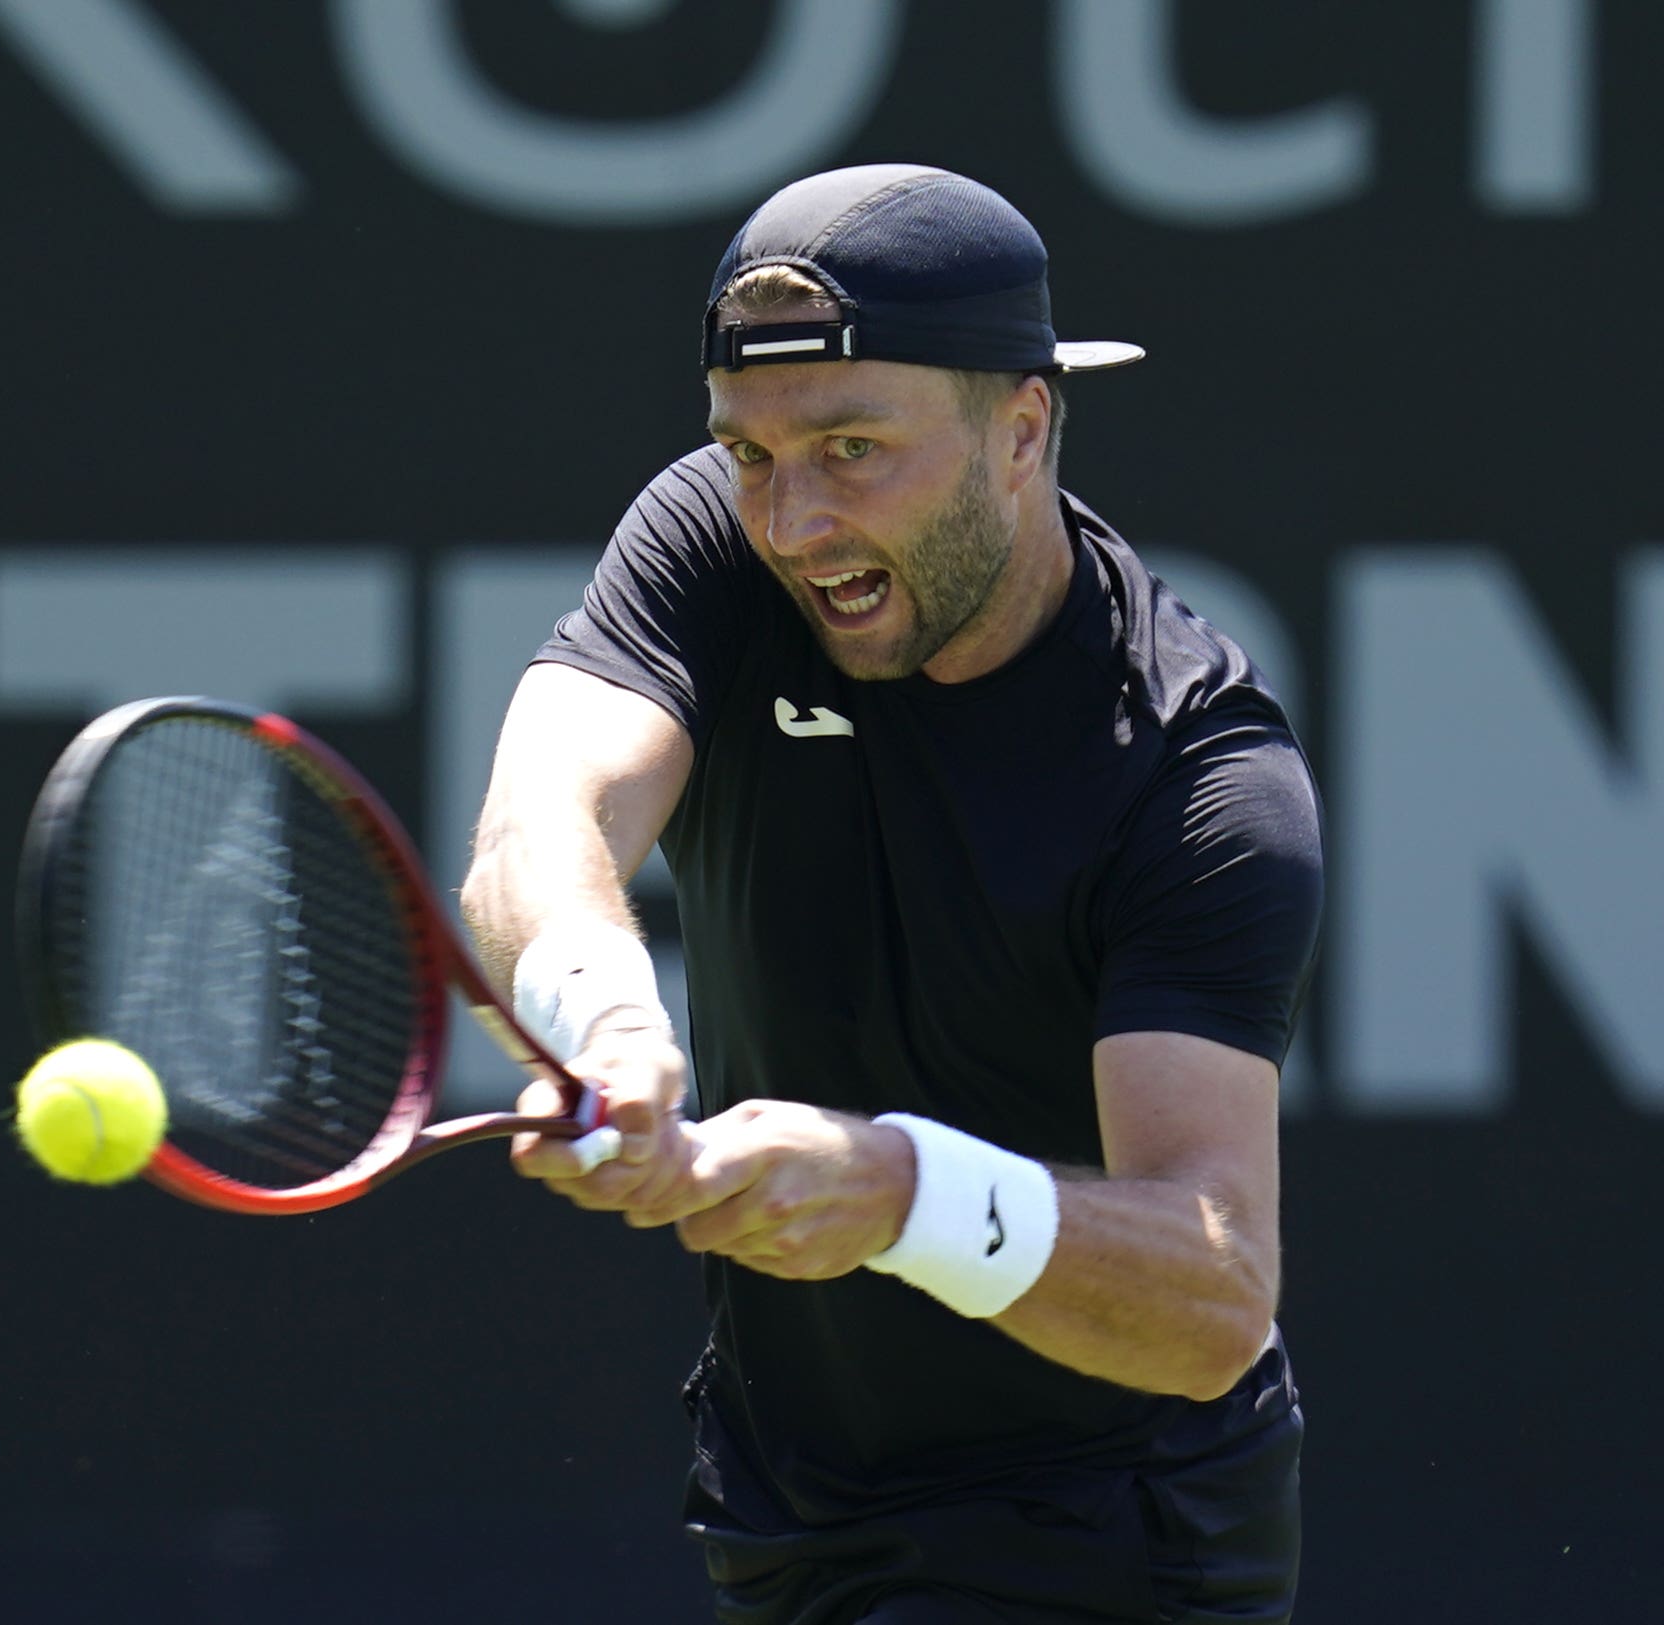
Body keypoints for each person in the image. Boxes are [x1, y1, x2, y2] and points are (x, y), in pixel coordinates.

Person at [460, 164, 1322, 1624]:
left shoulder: (1196, 781)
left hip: (1098, 1533)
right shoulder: (714, 546)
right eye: (750, 454)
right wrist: (602, 1018)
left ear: (1021, 429)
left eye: (852, 448)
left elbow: (1213, 1297)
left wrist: (899, 1192)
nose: (791, 520)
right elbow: (537, 824)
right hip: (786, 1496)